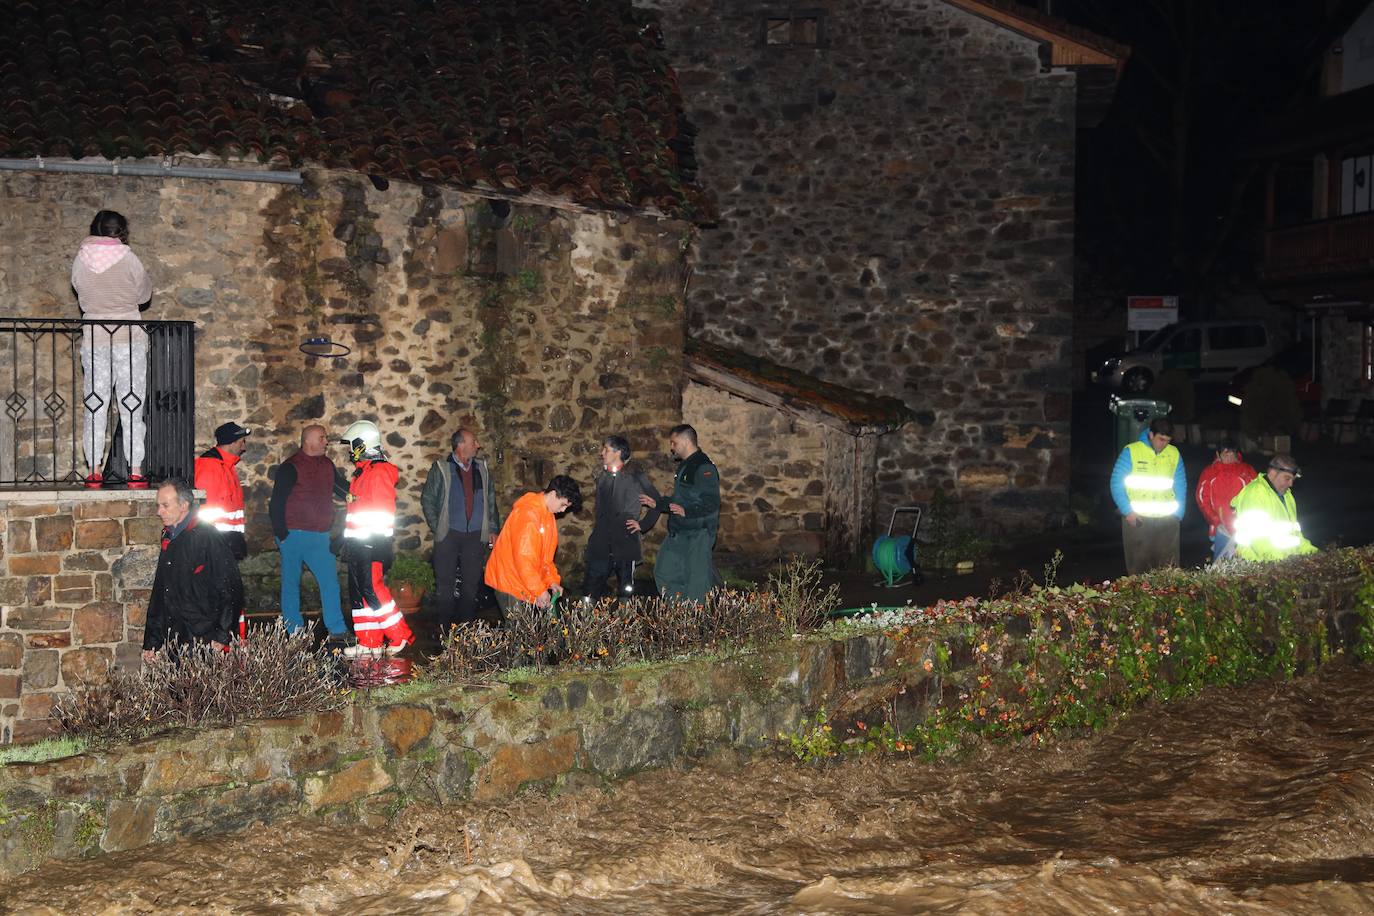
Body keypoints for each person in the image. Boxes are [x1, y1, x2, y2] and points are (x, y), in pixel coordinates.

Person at [72, 210, 153, 488]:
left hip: (96, 337)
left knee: (95, 404)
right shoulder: (129, 258)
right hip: (128, 337)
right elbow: (144, 296)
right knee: (132, 403)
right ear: (120, 232)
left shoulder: (81, 260)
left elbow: (79, 290)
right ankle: (135, 470)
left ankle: (94, 469)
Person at [268, 424, 352, 647]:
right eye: (322, 437)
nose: (326, 441)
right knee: (291, 584)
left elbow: (343, 489)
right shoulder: (290, 467)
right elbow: (277, 502)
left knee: (330, 583)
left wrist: (361, 492)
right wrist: (282, 535)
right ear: (308, 441)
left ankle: (337, 629)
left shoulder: (327, 465)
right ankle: (294, 630)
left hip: (319, 536)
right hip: (293, 535)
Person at [143, 478, 242, 660]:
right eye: (158, 505)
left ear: (184, 505)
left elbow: (230, 587)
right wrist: (152, 640)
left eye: (165, 505)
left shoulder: (207, 537)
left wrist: (222, 635)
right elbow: (160, 591)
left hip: (204, 638)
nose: (159, 511)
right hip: (175, 636)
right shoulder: (169, 536)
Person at [340, 420, 413, 657]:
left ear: (362, 445)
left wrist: (376, 544)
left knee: (373, 589)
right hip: (358, 543)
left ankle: (399, 634)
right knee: (360, 592)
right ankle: (369, 641)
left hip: (371, 543)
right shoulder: (364, 472)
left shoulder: (379, 473)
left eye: (352, 445)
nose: (350, 451)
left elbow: (383, 512)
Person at [420, 428, 502, 629]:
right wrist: (438, 526)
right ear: (461, 445)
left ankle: (464, 628)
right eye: (474, 441)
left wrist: (492, 528)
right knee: (445, 584)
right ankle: (444, 629)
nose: (478, 445)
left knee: (471, 584)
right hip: (448, 535)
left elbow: (490, 501)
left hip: (475, 536)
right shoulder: (441, 468)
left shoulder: (481, 469)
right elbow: (428, 499)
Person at [640, 424, 720, 602]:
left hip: (698, 532)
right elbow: (681, 499)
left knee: (696, 581)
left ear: (685, 441)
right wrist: (658, 504)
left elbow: (711, 502)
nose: (671, 447)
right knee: (664, 572)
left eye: (673, 443)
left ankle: (696, 622)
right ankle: (682, 612)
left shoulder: (703, 466)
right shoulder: (686, 466)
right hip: (680, 531)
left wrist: (688, 511)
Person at [485, 476, 582, 613]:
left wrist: (552, 581)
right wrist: (540, 590)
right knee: (518, 630)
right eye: (563, 505)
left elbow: (546, 558)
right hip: (509, 581)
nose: (563, 510)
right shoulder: (528, 515)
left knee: (525, 629)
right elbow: (524, 560)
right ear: (553, 494)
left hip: (524, 580)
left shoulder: (548, 516)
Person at [583, 435, 661, 601]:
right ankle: (584, 624)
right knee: (590, 590)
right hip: (601, 543)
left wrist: (643, 524)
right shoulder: (602, 477)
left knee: (625, 592)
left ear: (618, 452)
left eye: (606, 449)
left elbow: (657, 502)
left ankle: (624, 625)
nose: (602, 453)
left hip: (625, 544)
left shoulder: (635, 476)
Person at [195, 421, 251, 638]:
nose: (244, 447)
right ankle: (224, 641)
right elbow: (205, 515)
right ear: (232, 442)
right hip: (214, 547)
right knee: (222, 596)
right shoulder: (211, 468)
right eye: (242, 441)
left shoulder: (225, 467)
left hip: (224, 545)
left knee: (231, 595)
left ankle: (233, 640)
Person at [1109, 417, 1186, 575]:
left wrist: (1178, 514)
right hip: (1138, 520)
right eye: (1161, 439)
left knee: (1169, 572)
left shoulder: (1174, 454)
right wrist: (1127, 511)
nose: (1164, 445)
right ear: (1151, 435)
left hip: (1168, 520)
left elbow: (1180, 484)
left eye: (1168, 441)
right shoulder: (1131, 451)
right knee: (1139, 571)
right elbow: (1116, 483)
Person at [1230, 454, 1317, 562]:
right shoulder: (1255, 494)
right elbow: (1258, 541)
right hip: (1258, 566)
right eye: (1287, 478)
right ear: (1272, 473)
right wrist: (1282, 563)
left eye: (1292, 480)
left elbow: (1295, 536)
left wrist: (1315, 553)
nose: (1290, 484)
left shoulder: (1287, 496)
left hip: (1283, 564)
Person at [1194, 438, 1257, 562]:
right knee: (1220, 563)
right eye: (1225, 454)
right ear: (1218, 454)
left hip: (1243, 527)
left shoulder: (1246, 471)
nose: (1229, 457)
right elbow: (1202, 498)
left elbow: (1256, 496)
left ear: (1237, 454)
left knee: (1244, 563)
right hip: (1219, 527)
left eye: (1232, 454)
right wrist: (1215, 519)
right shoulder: (1209, 472)